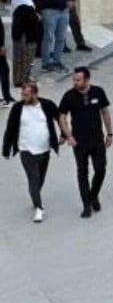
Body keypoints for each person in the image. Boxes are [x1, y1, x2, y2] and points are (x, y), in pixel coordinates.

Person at [57, 67, 112, 218]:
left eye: (78, 79)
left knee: (100, 169)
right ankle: (86, 204)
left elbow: (105, 112)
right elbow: (62, 116)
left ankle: (93, 195)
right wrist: (68, 135)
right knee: (82, 172)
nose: (75, 82)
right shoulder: (69, 96)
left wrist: (110, 133)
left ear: (87, 80)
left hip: (97, 138)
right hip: (79, 141)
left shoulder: (98, 92)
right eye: (74, 79)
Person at [2, 81, 61, 223]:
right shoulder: (17, 108)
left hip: (44, 150)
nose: (23, 97)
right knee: (33, 178)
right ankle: (39, 208)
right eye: (22, 94)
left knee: (40, 179)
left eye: (26, 94)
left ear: (35, 94)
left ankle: (35, 196)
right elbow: (10, 129)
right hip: (26, 149)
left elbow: (60, 118)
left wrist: (64, 135)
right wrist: (6, 149)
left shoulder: (47, 105)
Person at [10, 0, 39, 91]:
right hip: (27, 37)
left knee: (18, 58)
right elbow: (31, 20)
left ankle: (18, 80)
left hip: (17, 35)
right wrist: (37, 16)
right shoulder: (26, 3)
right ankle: (24, 80)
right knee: (26, 59)